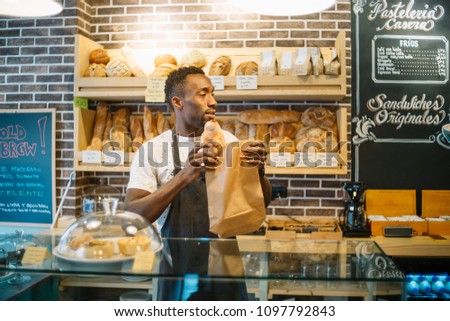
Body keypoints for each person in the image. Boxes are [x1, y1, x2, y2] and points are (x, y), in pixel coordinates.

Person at [124, 66, 271, 301]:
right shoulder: (151, 150)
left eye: (212, 93)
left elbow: (261, 201)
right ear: (178, 102)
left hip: (225, 270)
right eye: (203, 94)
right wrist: (185, 175)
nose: (213, 101)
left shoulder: (230, 142)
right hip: (176, 270)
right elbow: (133, 216)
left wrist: (259, 172)